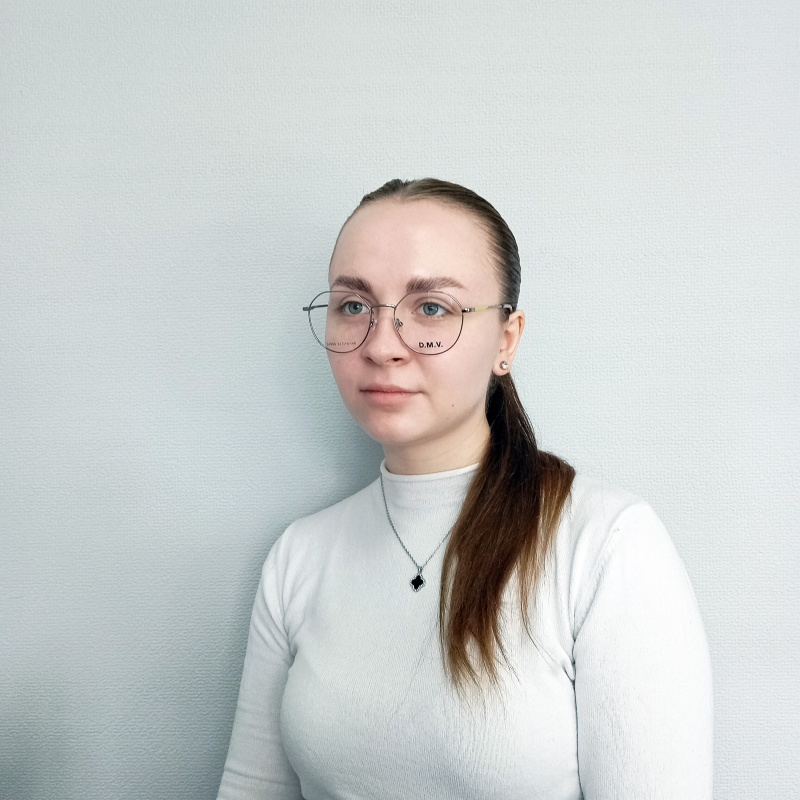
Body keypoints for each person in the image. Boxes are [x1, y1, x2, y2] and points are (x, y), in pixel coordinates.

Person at [216, 179, 713, 799]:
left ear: (506, 339)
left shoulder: (604, 544)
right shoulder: (300, 555)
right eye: (353, 305)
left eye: (431, 308)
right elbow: (251, 788)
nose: (381, 346)